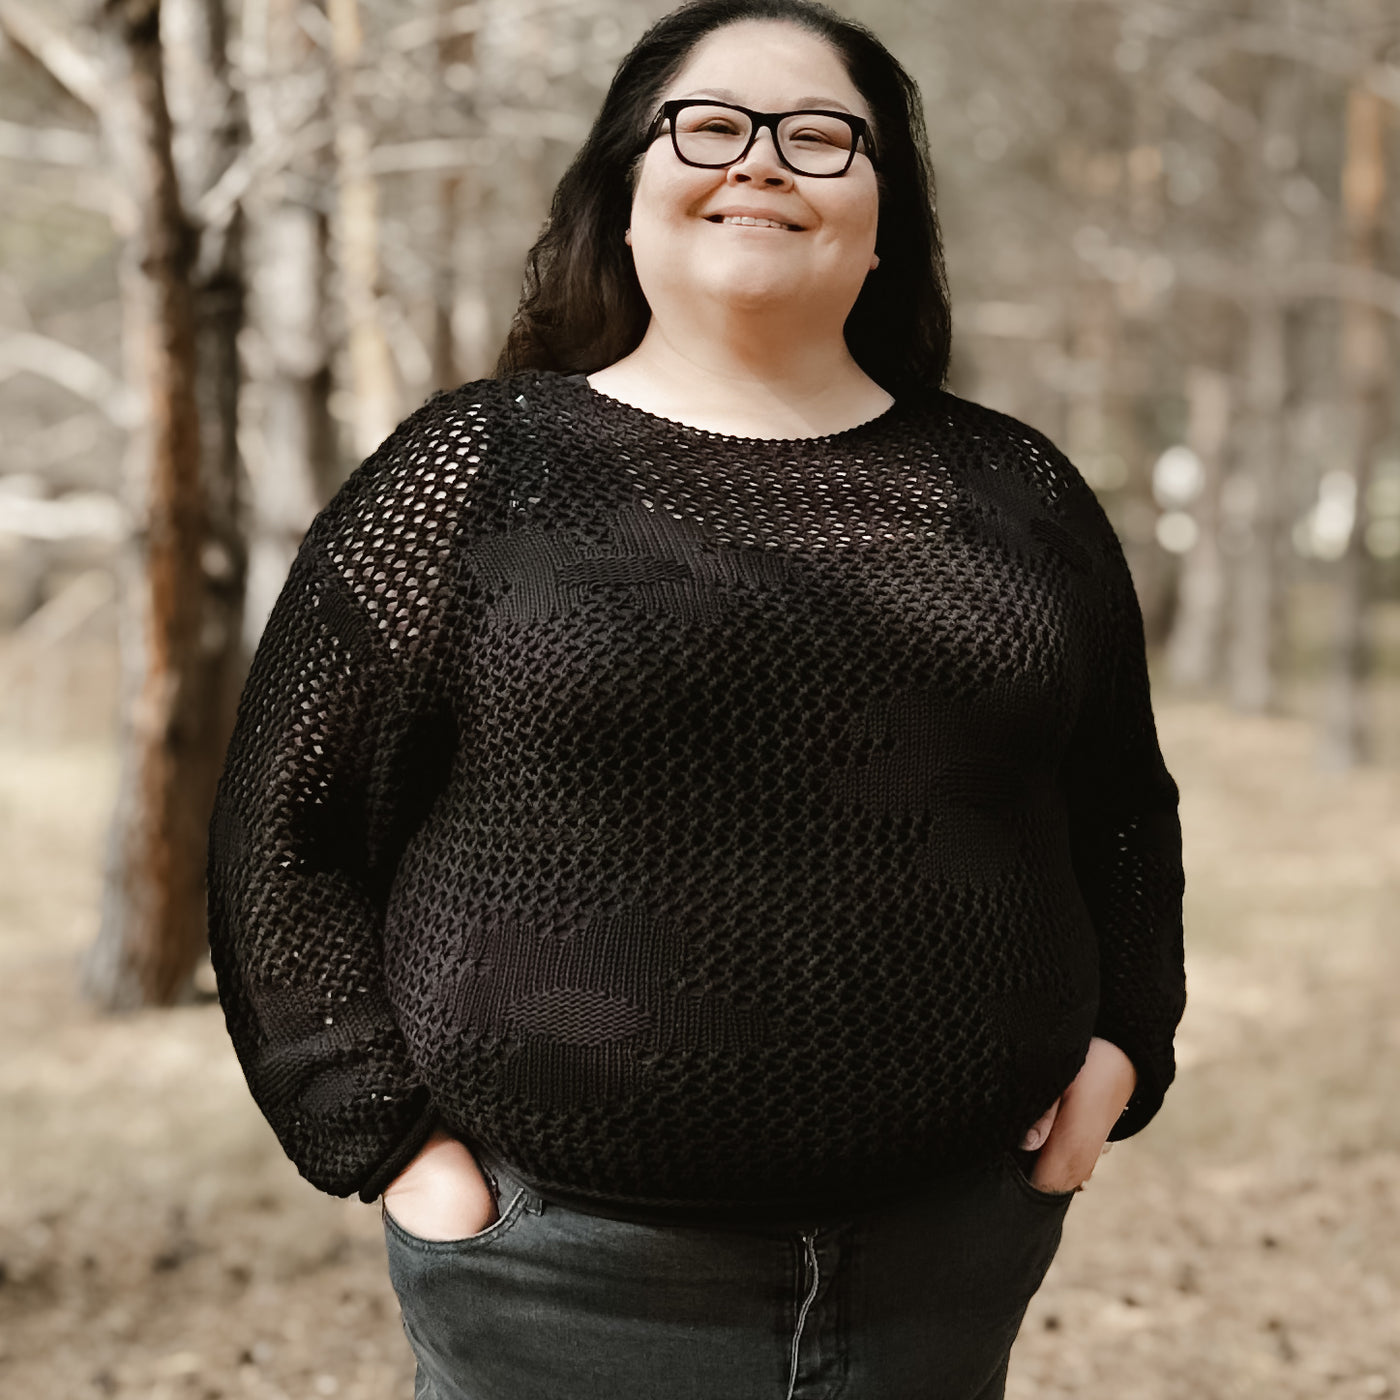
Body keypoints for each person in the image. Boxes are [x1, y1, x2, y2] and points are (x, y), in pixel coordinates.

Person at [206, 1, 1186, 1396]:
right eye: (710, 126)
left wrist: (1119, 1055)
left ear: (887, 212)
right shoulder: (479, 470)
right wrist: (388, 1144)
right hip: (556, 1279)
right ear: (624, 189)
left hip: (949, 1259)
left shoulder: (1013, 491)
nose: (764, 163)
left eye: (821, 137)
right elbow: (282, 825)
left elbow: (1120, 807)